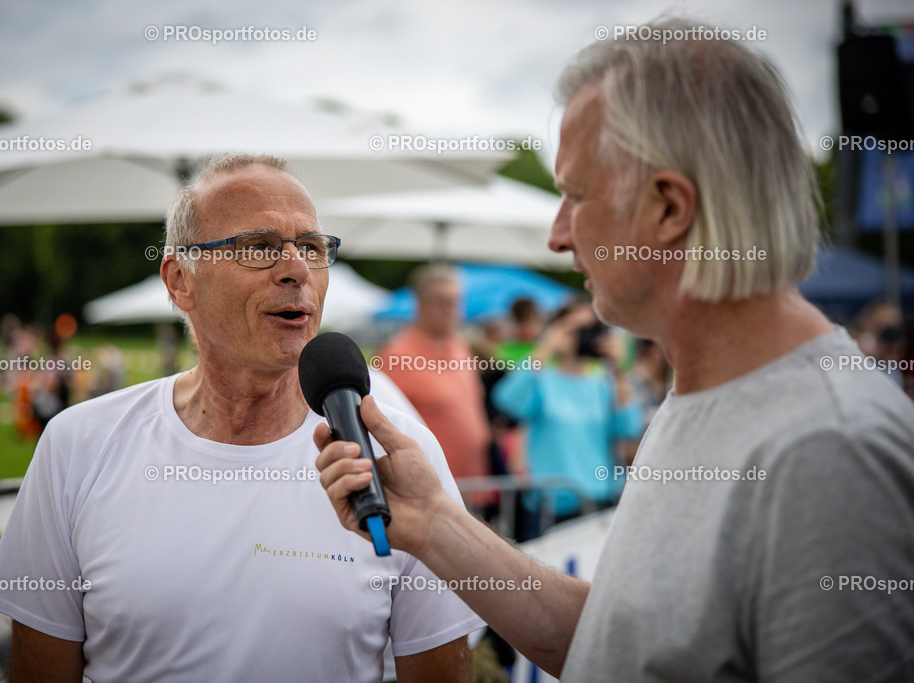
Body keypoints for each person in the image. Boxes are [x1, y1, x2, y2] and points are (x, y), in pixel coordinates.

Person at [315, 18, 914, 682]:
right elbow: (618, 642)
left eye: (574, 194)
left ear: (666, 208)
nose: (557, 234)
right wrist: (433, 524)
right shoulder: (713, 392)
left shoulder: (828, 448)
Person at [0, 153, 483, 681]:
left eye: (311, 247)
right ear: (180, 282)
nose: (296, 271)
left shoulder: (400, 459)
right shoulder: (77, 446)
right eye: (260, 248)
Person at [492, 300, 643, 533]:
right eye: (576, 329)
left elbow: (629, 428)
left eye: (590, 329)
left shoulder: (603, 385)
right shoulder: (543, 380)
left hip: (599, 504)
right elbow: (507, 401)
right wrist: (545, 348)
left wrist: (620, 371)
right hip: (551, 508)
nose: (583, 337)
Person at [378, 265, 492, 489]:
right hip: (430, 488)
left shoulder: (460, 347)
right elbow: (383, 424)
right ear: (420, 303)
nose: (450, 310)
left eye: (455, 301)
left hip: (475, 483)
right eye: (441, 302)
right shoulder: (396, 355)